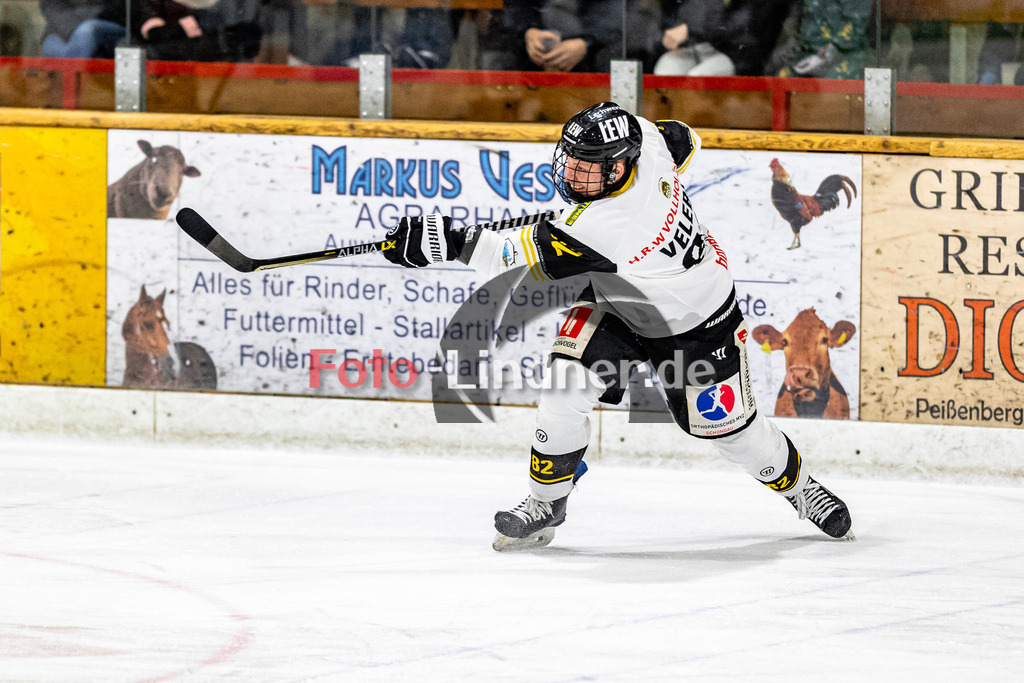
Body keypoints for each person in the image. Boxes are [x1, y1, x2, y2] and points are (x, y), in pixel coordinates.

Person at [383, 102, 854, 551]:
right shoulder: (645, 138)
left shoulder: (611, 225)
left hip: (698, 324)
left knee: (734, 433)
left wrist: (437, 240)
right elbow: (684, 139)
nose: (571, 174)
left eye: (586, 168)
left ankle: (802, 490)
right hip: (622, 299)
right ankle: (546, 504)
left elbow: (502, 259)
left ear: (618, 167)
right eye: (570, 161)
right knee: (562, 391)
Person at [655, 0, 792, 76]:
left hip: (736, 57)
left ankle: (695, 124)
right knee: (667, 67)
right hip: (698, 48)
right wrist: (670, 36)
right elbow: (677, 17)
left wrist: (691, 31)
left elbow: (748, 34)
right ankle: (668, 126)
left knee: (699, 77)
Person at [39, 0, 126, 59]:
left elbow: (116, 7)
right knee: (52, 48)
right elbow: (50, 6)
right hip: (60, 30)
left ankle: (79, 82)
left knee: (87, 32)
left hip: (107, 24)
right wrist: (74, 31)